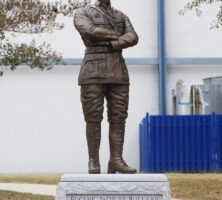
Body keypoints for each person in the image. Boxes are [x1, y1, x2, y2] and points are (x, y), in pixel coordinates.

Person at [74, 0, 138, 174]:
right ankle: (93, 160)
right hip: (93, 71)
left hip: (118, 71)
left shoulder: (120, 15)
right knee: (93, 117)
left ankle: (116, 160)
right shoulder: (83, 12)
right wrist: (118, 35)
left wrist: (114, 43)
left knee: (118, 116)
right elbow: (90, 31)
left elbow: (134, 37)